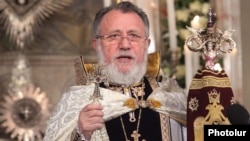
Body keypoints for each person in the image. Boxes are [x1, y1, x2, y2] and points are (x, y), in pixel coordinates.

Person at [43, 1, 187, 141]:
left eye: (134, 36)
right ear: (97, 45)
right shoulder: (78, 101)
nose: (125, 45)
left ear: (147, 44)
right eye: (113, 36)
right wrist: (80, 134)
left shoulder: (171, 97)